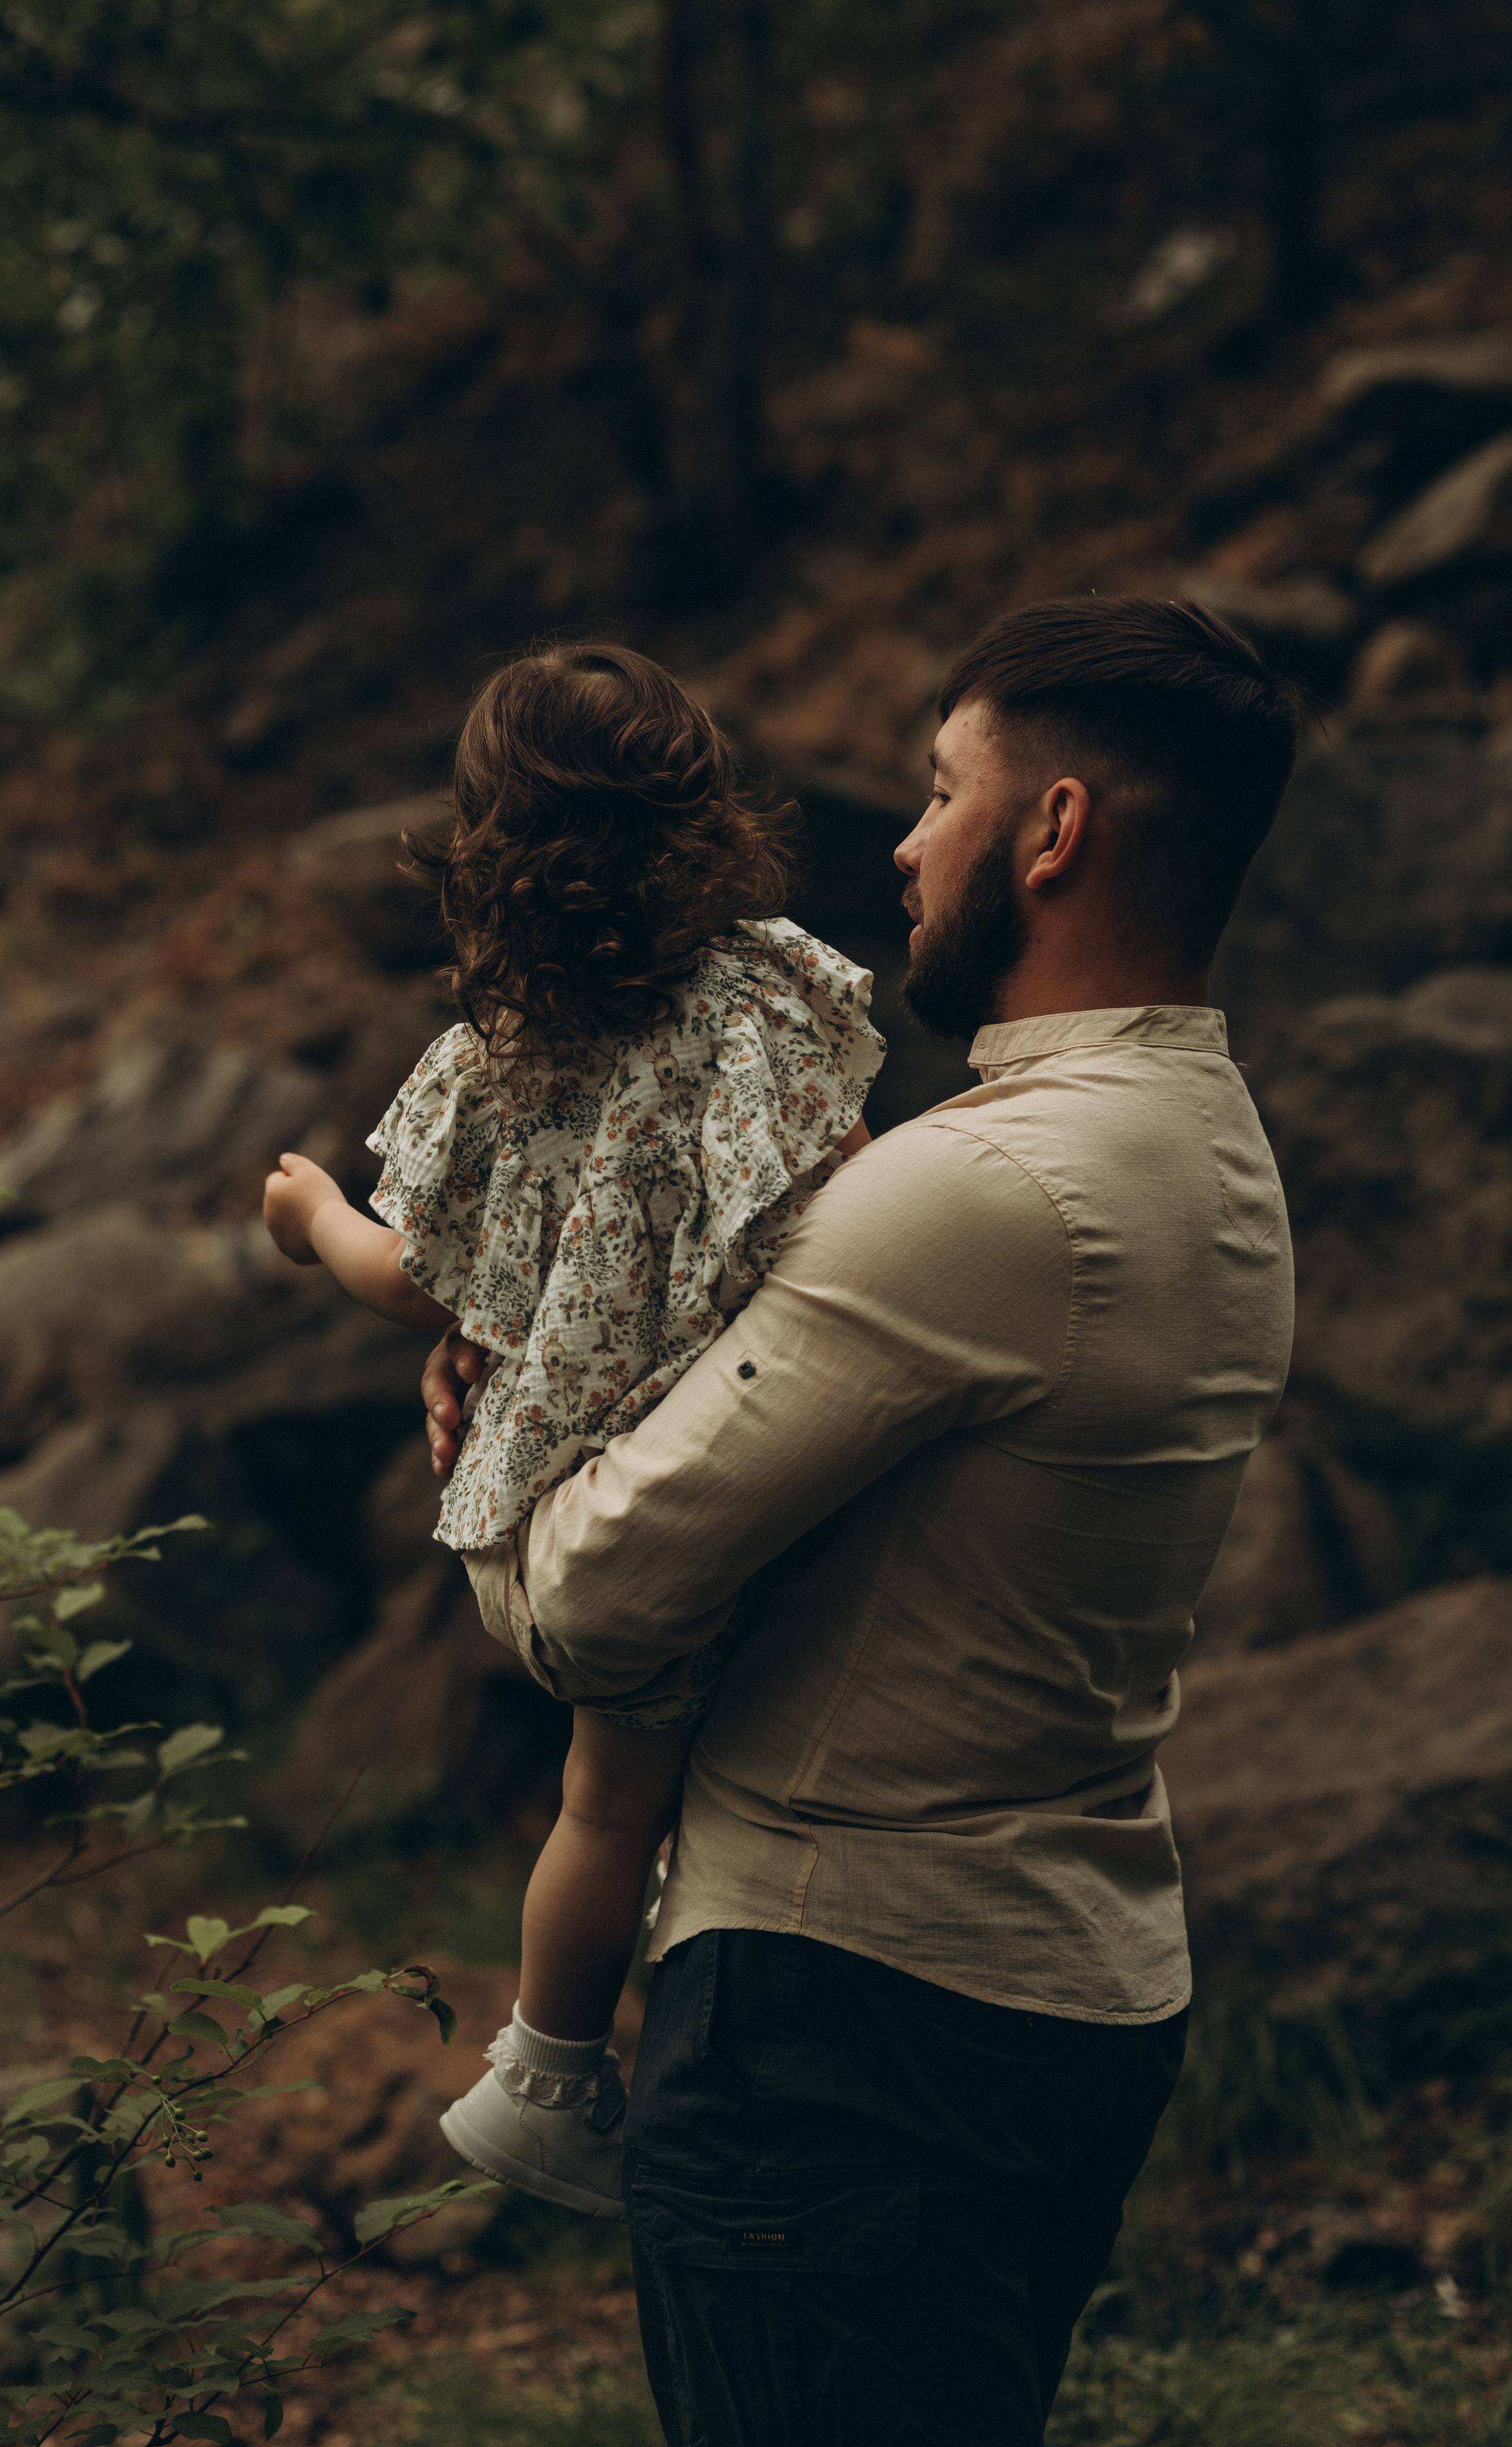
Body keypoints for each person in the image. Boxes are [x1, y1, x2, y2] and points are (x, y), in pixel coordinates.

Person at [421, 596, 1301, 2446]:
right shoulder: (1205, 1146)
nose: (900, 844)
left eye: (939, 791)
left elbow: (584, 1598)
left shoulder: (981, 1195)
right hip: (1070, 1992)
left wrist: (491, 1426)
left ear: (1052, 833)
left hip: (849, 2029)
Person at [261, 640, 884, 2222]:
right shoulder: (763, 999)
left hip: (557, 1507)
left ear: (483, 858)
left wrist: (312, 1214)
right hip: (716, 1485)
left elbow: (416, 1277)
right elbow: (845, 1183)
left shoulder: (496, 1063)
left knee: (605, 1798)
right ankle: (562, 2065)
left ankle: (548, 2066)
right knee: (652, 1785)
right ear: (705, 815)